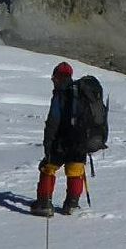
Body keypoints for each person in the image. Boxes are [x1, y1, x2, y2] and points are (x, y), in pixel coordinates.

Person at [32, 61, 87, 217]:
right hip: (80, 142)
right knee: (75, 171)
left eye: (54, 77)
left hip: (61, 142)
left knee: (48, 168)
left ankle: (44, 204)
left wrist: (48, 143)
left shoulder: (60, 94)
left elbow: (53, 121)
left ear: (57, 77)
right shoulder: (81, 93)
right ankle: (72, 204)